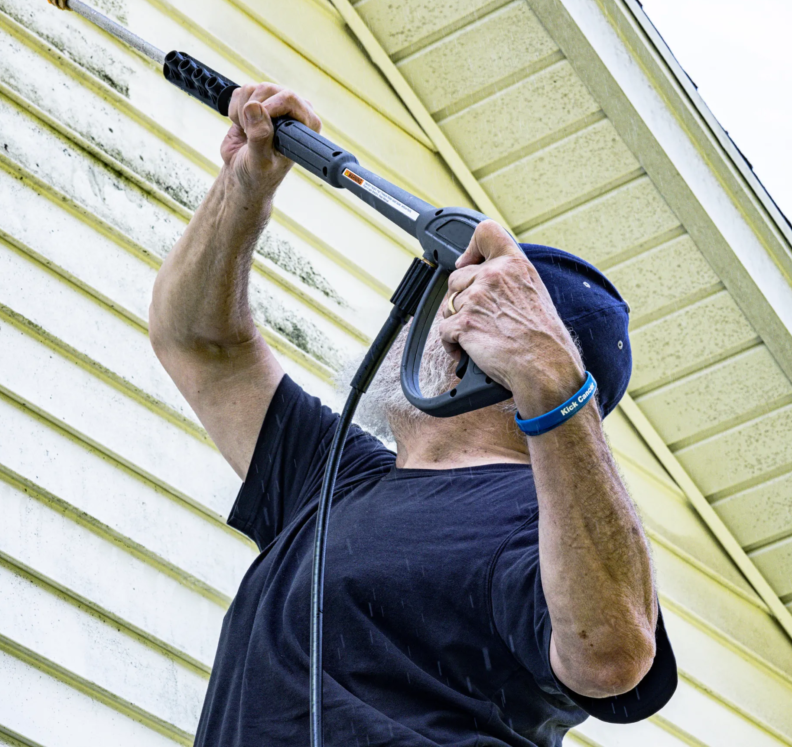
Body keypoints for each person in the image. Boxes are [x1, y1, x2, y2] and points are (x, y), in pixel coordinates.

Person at [149, 83, 677, 746]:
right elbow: (201, 345)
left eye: (445, 301)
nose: (405, 323)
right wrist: (244, 186)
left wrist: (551, 378)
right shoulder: (334, 475)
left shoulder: (546, 522)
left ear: (485, 359)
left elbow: (612, 656)